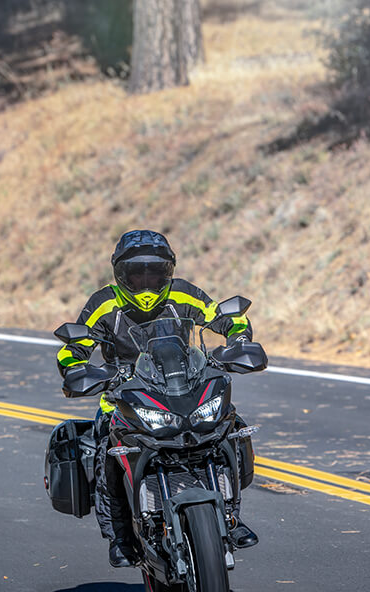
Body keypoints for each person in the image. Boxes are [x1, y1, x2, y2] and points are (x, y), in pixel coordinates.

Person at [56, 229, 259, 567]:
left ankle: (231, 517)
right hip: (124, 397)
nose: (147, 282)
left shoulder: (184, 294)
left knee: (231, 426)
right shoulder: (103, 304)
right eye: (138, 273)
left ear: (169, 271)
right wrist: (81, 371)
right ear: (121, 274)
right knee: (109, 452)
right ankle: (120, 537)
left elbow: (227, 318)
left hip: (183, 388)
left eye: (156, 273)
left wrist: (238, 340)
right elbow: (72, 350)